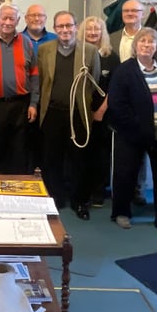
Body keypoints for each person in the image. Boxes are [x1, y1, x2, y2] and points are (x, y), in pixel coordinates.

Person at [108, 28, 157, 234]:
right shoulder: (125, 70)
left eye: (151, 42)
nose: (146, 45)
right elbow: (118, 103)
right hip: (132, 135)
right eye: (142, 41)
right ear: (135, 46)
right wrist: (137, 127)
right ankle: (121, 212)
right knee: (125, 174)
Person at [38, 11, 100, 219]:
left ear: (76, 27)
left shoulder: (89, 51)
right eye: (60, 26)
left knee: (79, 159)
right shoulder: (45, 49)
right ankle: (55, 198)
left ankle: (79, 201)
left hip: (78, 114)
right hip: (52, 112)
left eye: (69, 26)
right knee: (51, 159)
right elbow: (42, 81)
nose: (65, 30)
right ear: (54, 29)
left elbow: (95, 82)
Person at [0, 2, 39, 174]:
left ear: (18, 20)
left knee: (19, 149)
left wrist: (33, 103)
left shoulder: (26, 43)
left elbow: (34, 74)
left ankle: (16, 190)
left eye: (12, 18)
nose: (8, 22)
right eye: (4, 18)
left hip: (21, 104)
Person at [109, 0, 149, 205]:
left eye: (135, 11)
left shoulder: (152, 37)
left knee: (140, 147)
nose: (131, 14)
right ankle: (119, 188)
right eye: (126, 12)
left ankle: (138, 188)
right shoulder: (113, 37)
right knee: (120, 148)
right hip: (118, 98)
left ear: (142, 13)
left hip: (142, 99)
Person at [77, 16, 121, 207]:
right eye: (89, 29)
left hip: (101, 113)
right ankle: (80, 190)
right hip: (79, 112)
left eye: (97, 29)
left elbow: (115, 88)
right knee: (80, 152)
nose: (93, 32)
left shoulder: (111, 56)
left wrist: (101, 110)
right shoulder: (76, 54)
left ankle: (98, 191)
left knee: (100, 153)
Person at [21, 4, 56, 173]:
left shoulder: (55, 39)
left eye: (40, 15)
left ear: (46, 19)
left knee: (48, 141)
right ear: (26, 18)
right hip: (25, 98)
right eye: (32, 15)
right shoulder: (17, 39)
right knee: (26, 141)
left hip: (50, 98)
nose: (36, 19)